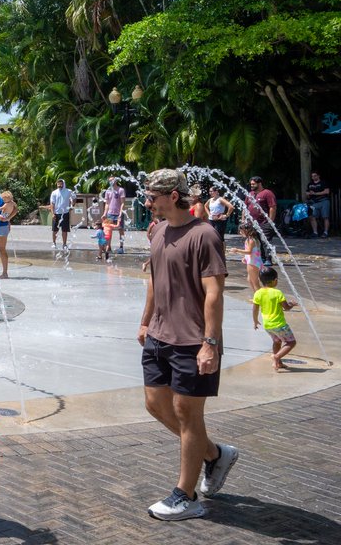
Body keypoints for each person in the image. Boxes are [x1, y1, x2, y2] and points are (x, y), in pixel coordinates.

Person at [137, 168, 236, 521]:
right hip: (160, 336)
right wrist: (146, 320)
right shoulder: (158, 231)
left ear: (173, 196)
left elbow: (214, 293)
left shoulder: (205, 235)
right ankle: (213, 454)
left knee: (187, 414)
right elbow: (153, 280)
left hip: (194, 340)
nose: (147, 202)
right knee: (155, 404)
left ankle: (186, 495)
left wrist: (210, 343)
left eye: (153, 196)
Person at [252, 266, 298, 371]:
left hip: (268, 325)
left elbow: (254, 309)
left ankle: (278, 363)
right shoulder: (277, 293)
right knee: (291, 342)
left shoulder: (258, 293)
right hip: (280, 325)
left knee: (277, 342)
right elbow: (286, 307)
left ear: (260, 280)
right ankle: (276, 357)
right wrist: (292, 304)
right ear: (275, 281)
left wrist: (255, 321)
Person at [229, 223, 264, 293]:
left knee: (255, 281)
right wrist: (245, 257)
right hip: (254, 261)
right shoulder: (250, 239)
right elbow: (252, 251)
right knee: (250, 280)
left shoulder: (251, 240)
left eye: (241, 231)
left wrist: (237, 250)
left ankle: (260, 298)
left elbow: (249, 251)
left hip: (253, 263)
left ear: (246, 231)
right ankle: (256, 296)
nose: (240, 233)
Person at [46, 178, 75, 250]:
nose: (59, 185)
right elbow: (52, 204)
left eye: (61, 184)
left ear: (63, 184)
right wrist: (53, 214)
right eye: (58, 184)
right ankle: (54, 243)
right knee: (55, 229)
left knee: (64, 230)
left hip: (65, 213)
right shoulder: (54, 192)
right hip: (56, 213)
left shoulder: (69, 191)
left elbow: (74, 198)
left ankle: (64, 244)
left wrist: (72, 205)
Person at [102, 177, 127, 251]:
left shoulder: (121, 190)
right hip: (110, 214)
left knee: (121, 230)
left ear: (116, 181)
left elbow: (122, 203)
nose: (111, 182)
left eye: (112, 180)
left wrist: (120, 213)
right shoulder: (108, 191)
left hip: (118, 213)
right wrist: (104, 213)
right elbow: (107, 203)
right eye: (109, 181)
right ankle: (108, 246)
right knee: (108, 230)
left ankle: (121, 247)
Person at [306, 171, 330, 238]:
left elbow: (327, 191)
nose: (313, 177)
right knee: (312, 216)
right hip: (314, 202)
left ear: (318, 176)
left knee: (325, 217)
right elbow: (307, 194)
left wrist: (315, 193)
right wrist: (308, 194)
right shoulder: (310, 184)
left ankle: (325, 232)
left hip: (324, 201)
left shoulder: (323, 183)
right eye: (312, 176)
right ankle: (315, 232)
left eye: (315, 176)